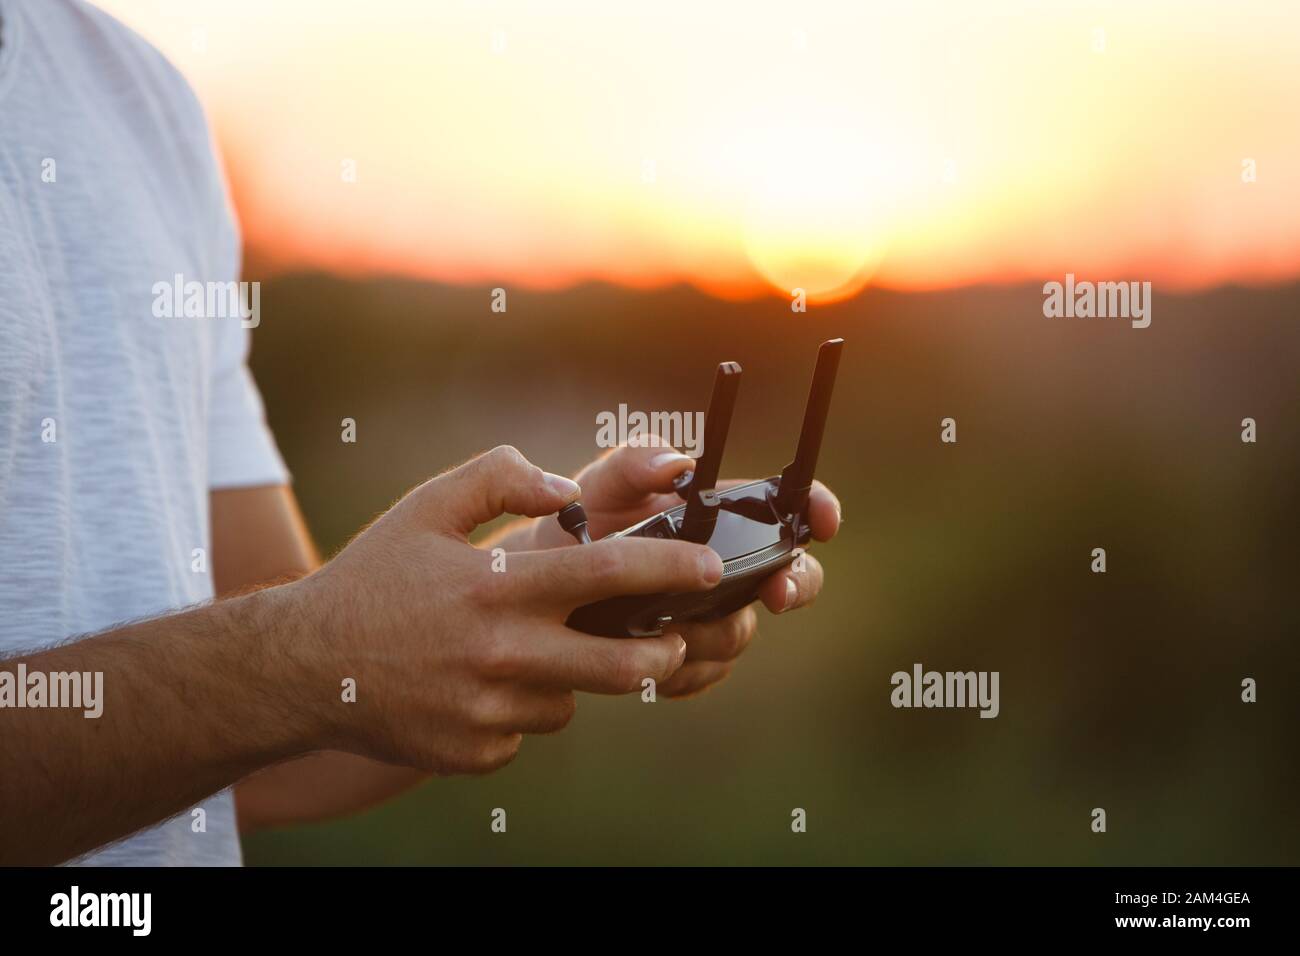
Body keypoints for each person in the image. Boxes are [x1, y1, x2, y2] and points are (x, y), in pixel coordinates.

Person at [0, 0, 840, 866]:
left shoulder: (139, 102)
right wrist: (305, 660)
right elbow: (277, 672)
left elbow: (271, 753)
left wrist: (551, 579)